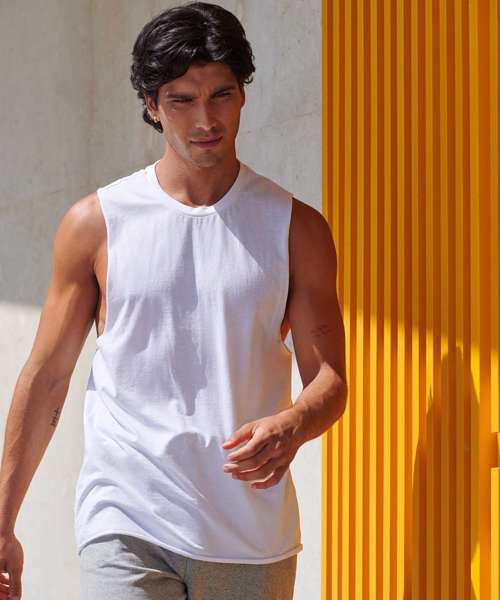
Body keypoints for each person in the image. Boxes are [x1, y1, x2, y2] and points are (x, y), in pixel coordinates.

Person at [0, 2, 347, 599]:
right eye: (182, 100)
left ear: (243, 94)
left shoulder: (296, 228)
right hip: (126, 517)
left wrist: (293, 424)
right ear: (151, 105)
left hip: (249, 534)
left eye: (221, 95)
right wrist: (4, 522)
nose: (205, 119)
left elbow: (329, 382)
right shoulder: (96, 224)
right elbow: (49, 376)